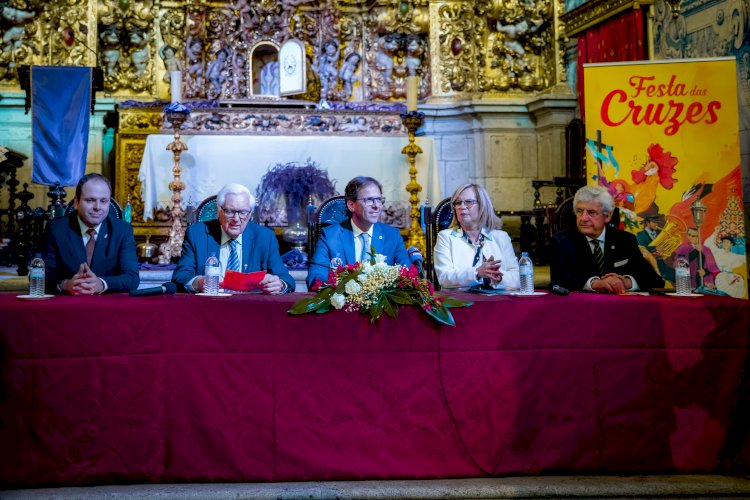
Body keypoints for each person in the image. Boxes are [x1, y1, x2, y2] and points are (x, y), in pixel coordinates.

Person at [172, 183, 294, 294]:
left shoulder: (265, 237)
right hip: (209, 307)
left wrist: (279, 284)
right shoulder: (197, 234)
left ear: (250, 214)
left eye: (243, 212)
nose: (236, 219)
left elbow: (286, 279)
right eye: (229, 211)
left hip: (250, 310)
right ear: (219, 211)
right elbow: (180, 276)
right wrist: (198, 282)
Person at [550, 185, 664, 293]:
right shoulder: (561, 241)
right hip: (581, 308)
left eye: (591, 212)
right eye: (579, 211)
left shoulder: (625, 240)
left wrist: (626, 282)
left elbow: (655, 280)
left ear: (607, 216)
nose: (583, 218)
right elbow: (559, 281)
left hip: (619, 308)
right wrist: (594, 284)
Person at [43, 173, 139, 295]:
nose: (97, 207)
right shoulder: (57, 229)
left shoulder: (122, 230)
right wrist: (65, 284)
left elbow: (132, 278)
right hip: (69, 305)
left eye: (104, 201)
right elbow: (40, 276)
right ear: (76, 202)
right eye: (90, 200)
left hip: (107, 306)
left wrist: (102, 284)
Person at [307, 176, 409, 289]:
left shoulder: (392, 236)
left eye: (379, 199)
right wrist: (347, 289)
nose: (376, 206)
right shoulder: (330, 236)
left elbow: (407, 276)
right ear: (351, 205)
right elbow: (316, 276)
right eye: (369, 200)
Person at [433, 183, 519, 290]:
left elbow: (517, 278)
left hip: (496, 301)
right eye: (458, 203)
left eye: (468, 202)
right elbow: (444, 278)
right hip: (461, 302)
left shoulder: (502, 237)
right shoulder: (446, 237)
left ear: (482, 206)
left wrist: (498, 277)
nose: (462, 207)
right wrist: (476, 273)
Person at [674, 226, 719, 291]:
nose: (690, 237)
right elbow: (679, 264)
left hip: (703, 281)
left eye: (694, 236)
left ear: (699, 237)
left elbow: (713, 267)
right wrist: (696, 251)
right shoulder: (682, 248)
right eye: (689, 235)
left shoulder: (706, 249)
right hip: (689, 281)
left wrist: (705, 272)